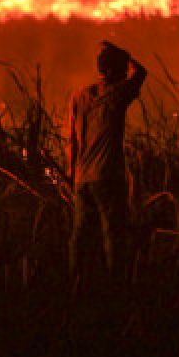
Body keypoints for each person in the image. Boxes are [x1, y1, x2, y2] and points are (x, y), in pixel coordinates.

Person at [67, 40, 147, 286]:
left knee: (80, 235)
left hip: (82, 178)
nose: (125, 74)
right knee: (112, 234)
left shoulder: (79, 96)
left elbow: (71, 140)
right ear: (114, 71)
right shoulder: (117, 94)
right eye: (121, 69)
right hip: (107, 177)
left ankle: (75, 283)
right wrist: (125, 53)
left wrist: (72, 174)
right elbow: (141, 73)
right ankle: (116, 287)